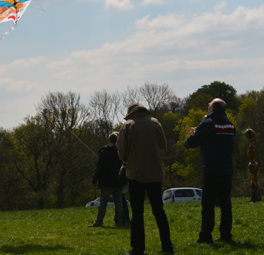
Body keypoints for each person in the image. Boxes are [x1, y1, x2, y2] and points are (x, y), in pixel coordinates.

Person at [116, 103, 173, 255]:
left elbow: (122, 152)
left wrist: (128, 162)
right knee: (159, 210)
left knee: (137, 213)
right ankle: (167, 245)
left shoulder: (128, 125)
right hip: (155, 173)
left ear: (130, 114)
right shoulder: (156, 123)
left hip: (136, 174)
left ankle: (138, 248)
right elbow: (163, 147)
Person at [184, 98, 236, 244]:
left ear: (212, 108)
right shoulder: (230, 125)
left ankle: (205, 236)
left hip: (212, 169)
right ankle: (226, 235)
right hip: (227, 169)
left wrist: (187, 141)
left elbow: (193, 142)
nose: (207, 107)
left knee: (208, 204)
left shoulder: (208, 123)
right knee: (226, 203)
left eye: (209, 105)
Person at [88, 132, 129, 228]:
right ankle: (118, 222)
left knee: (103, 203)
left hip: (106, 181)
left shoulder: (104, 151)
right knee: (118, 202)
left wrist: (94, 180)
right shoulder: (121, 151)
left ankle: (99, 222)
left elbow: (99, 167)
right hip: (119, 181)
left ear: (108, 140)